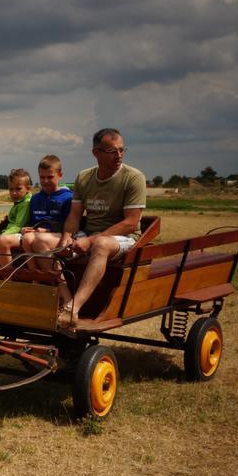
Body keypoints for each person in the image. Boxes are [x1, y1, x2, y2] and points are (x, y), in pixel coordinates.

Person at [54, 128, 146, 329]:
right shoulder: (85, 177)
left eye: (122, 150)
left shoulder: (133, 177)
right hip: (88, 234)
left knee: (102, 244)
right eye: (112, 151)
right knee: (42, 242)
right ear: (96, 153)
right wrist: (66, 237)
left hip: (123, 237)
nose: (119, 156)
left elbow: (130, 223)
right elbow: (75, 215)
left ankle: (73, 309)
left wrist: (90, 241)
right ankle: (63, 298)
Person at [20, 154, 74, 252]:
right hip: (35, 236)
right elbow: (33, 223)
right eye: (42, 177)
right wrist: (28, 228)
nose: (45, 181)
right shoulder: (35, 198)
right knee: (27, 238)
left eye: (50, 177)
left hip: (58, 236)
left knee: (34, 239)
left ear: (60, 175)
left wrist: (47, 231)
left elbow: (71, 227)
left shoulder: (68, 198)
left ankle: (53, 267)